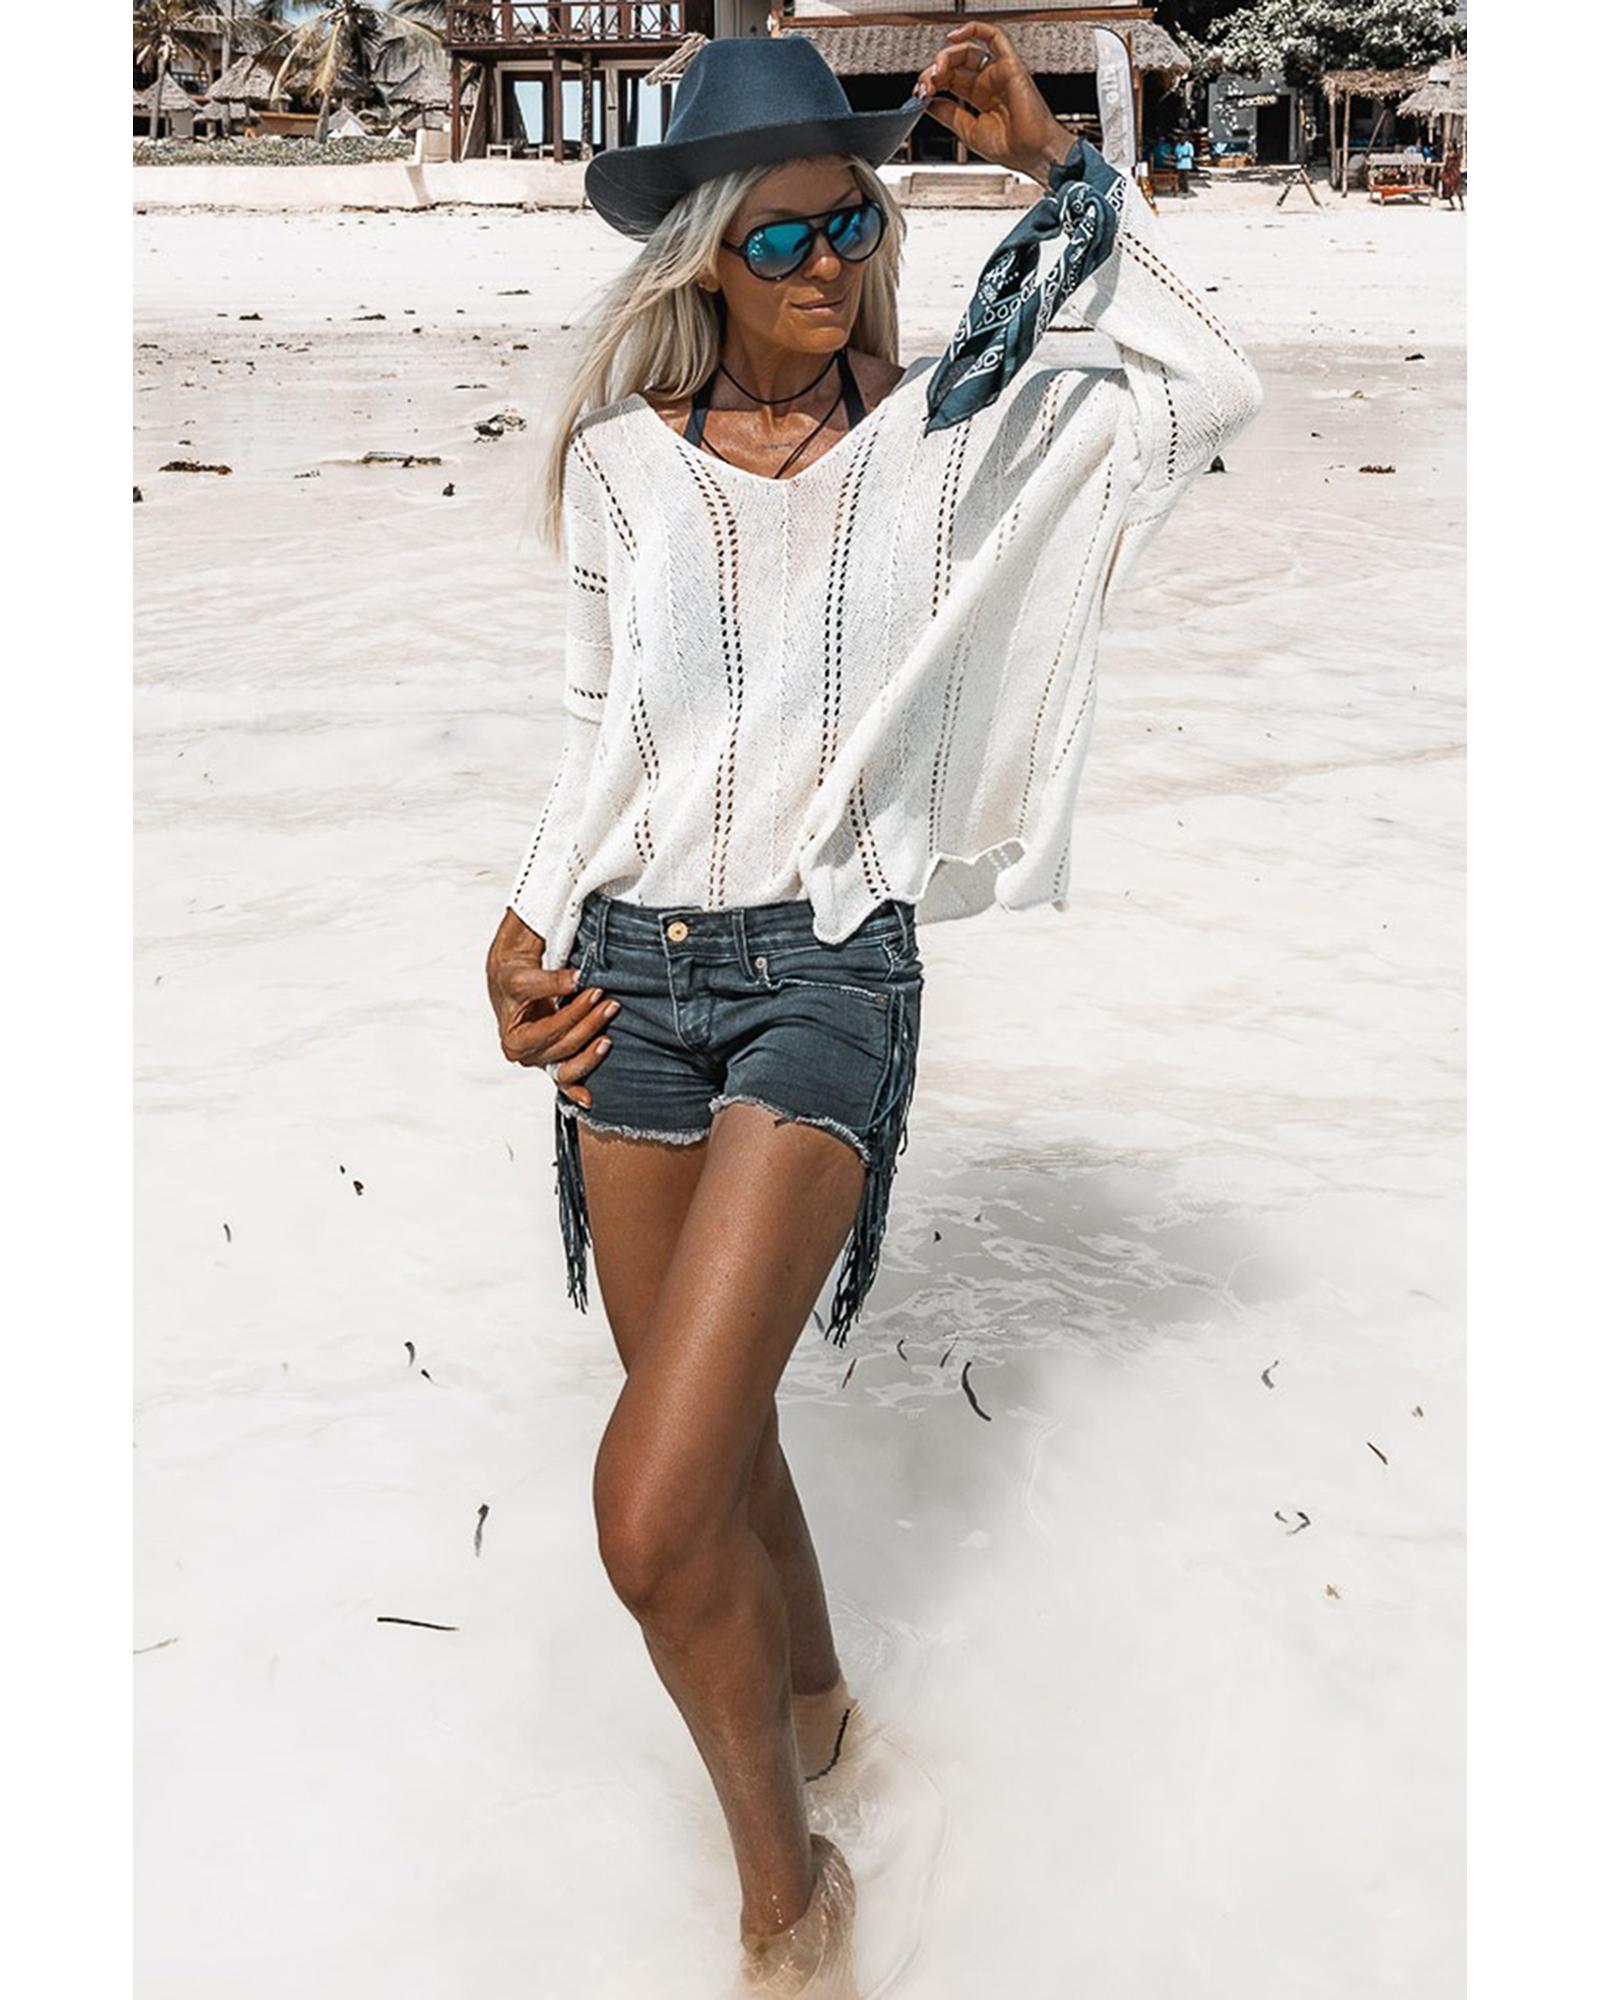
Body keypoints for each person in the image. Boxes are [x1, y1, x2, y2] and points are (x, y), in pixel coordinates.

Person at [484, 23, 1262, 1994]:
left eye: (853, 224)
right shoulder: (617, 466)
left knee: (648, 1514)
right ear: (701, 254)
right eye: (781, 237)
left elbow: (1209, 387)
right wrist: (519, 928)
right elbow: (598, 731)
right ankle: (819, 1707)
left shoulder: (949, 441)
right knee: (721, 1451)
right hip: (621, 980)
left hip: (825, 972)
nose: (828, 262)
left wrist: (1050, 166)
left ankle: (789, 1903)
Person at [1441, 142, 1465, 210]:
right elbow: (1446, 166)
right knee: (1448, 190)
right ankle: (1453, 204)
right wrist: (1444, 172)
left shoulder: (1456, 157)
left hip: (1455, 174)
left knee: (1458, 190)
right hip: (1449, 174)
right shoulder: (1448, 157)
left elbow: (1458, 163)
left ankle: (1461, 204)